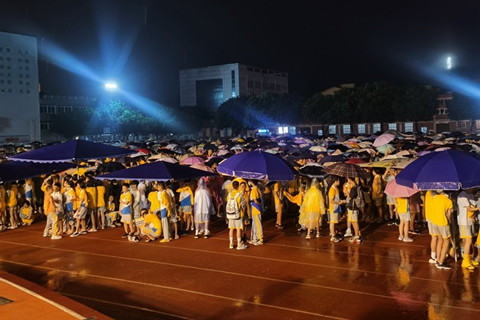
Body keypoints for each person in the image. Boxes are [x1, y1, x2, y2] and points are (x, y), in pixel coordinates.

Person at [430, 190, 453, 269]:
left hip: (434, 221)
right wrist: (449, 219)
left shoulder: (434, 198)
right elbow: (449, 215)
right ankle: (441, 262)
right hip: (443, 222)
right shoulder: (448, 201)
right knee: (446, 241)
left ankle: (438, 259)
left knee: (440, 240)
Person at [457, 189, 479, 270]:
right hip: (464, 222)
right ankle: (465, 261)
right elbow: (469, 209)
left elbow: (473, 207)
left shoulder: (471, 195)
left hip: (470, 221)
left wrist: (473, 216)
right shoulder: (462, 195)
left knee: (470, 240)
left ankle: (469, 259)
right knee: (468, 240)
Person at [226, 180, 247, 249]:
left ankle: (231, 243)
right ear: (238, 187)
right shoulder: (239, 195)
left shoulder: (229, 195)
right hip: (238, 214)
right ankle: (239, 244)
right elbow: (243, 205)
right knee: (238, 229)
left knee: (231, 229)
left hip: (230, 214)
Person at [328, 177, 346, 242]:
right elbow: (331, 200)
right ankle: (333, 235)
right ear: (335, 181)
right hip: (333, 208)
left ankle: (334, 233)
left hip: (337, 207)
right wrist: (338, 203)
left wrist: (340, 201)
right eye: (338, 181)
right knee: (332, 222)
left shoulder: (336, 189)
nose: (339, 182)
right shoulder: (332, 189)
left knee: (335, 221)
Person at [249, 180, 264, 245]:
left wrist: (259, 205)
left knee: (257, 224)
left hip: (256, 208)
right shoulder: (256, 189)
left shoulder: (254, 190)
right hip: (255, 209)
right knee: (254, 224)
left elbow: (255, 201)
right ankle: (255, 238)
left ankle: (260, 239)